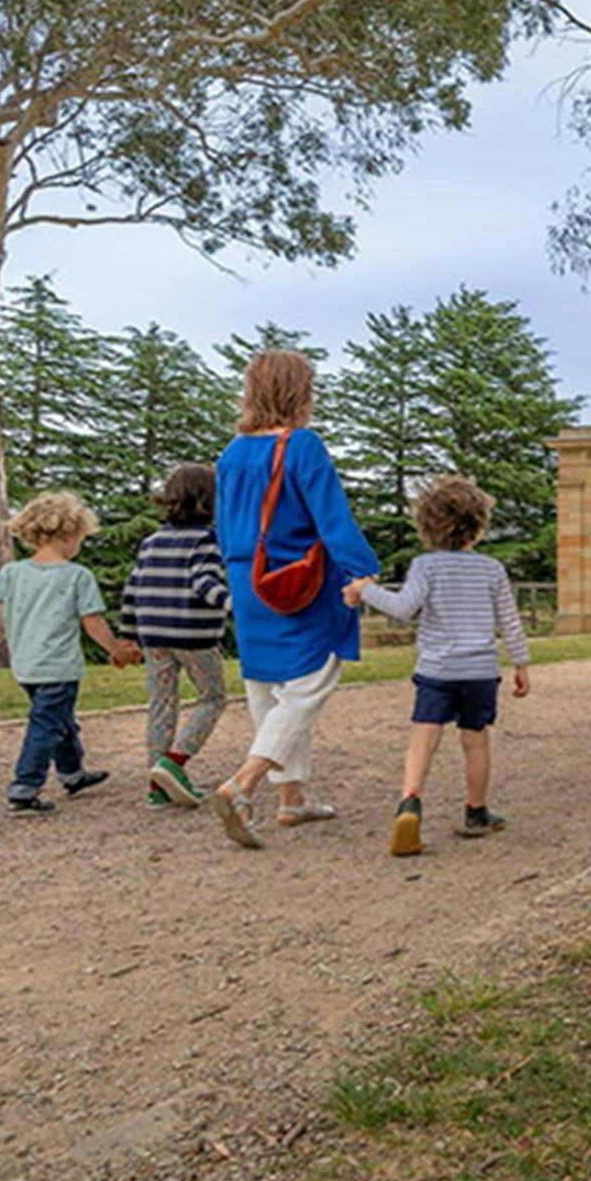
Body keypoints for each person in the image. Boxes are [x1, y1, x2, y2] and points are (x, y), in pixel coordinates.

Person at [207, 349, 380, 849]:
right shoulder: (301, 445)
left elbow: (222, 525)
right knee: (311, 680)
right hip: (296, 580)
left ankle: (292, 800)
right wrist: (363, 568)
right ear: (300, 393)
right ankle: (244, 783)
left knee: (267, 687)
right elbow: (332, 519)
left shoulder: (231, 453)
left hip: (247, 579)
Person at [345, 475, 531, 857]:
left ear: (426, 525)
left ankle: (409, 803)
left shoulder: (425, 566)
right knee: (475, 741)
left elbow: (402, 608)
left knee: (423, 739)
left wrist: (364, 589)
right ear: (478, 527)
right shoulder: (492, 569)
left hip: (437, 671)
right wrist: (521, 663)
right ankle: (476, 813)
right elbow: (509, 621)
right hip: (479, 671)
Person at [0, 492, 140, 814]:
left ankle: (73, 774)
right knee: (46, 726)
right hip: (59, 667)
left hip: (26, 666)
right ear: (69, 534)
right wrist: (119, 651)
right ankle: (24, 788)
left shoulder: (13, 573)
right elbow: (93, 623)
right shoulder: (77, 576)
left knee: (60, 721)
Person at [117, 463, 232, 811]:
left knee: (161, 705)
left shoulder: (151, 543)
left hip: (154, 636)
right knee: (213, 698)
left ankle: (157, 787)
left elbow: (132, 589)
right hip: (194, 635)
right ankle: (174, 762)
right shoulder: (206, 540)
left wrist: (127, 636)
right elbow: (205, 583)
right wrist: (235, 604)